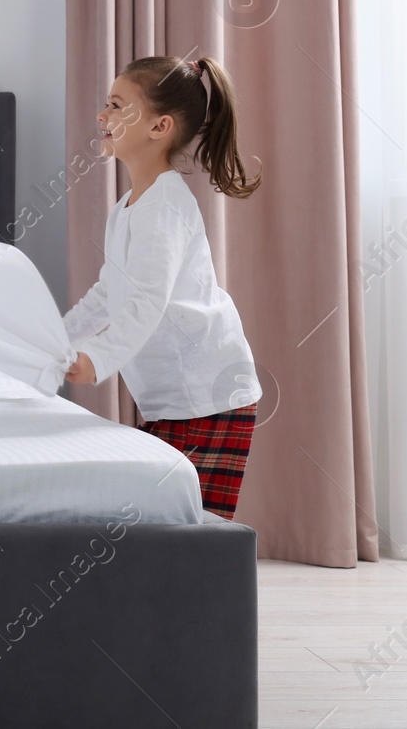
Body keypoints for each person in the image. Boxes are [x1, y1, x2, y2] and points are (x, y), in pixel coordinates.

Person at [63, 55, 263, 520]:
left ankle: (210, 594)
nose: (102, 115)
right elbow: (108, 292)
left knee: (189, 528)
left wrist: (99, 358)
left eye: (116, 105)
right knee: (159, 525)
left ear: (160, 127)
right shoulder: (131, 206)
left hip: (207, 395)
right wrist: (58, 339)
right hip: (173, 399)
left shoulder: (164, 208)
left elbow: (146, 301)